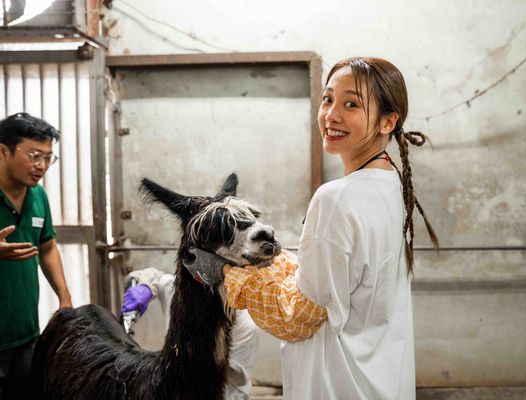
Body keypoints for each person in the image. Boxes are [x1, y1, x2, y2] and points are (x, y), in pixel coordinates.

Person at [185, 57, 439, 399]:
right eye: (328, 99)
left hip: (337, 383)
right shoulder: (393, 185)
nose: (331, 115)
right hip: (380, 379)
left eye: (351, 104)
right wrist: (275, 262)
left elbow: (297, 318)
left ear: (387, 122)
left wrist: (229, 275)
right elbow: (329, 281)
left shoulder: (335, 198)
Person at [0, 112, 72, 399]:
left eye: (48, 158)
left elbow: (47, 247)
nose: (41, 166)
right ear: (3, 150)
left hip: (25, 331)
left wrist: (65, 298)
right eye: (33, 155)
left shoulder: (37, 196)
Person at [120, 267, 260, 400]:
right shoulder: (183, 295)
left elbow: (236, 386)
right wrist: (144, 286)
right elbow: (152, 276)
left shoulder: (244, 327)